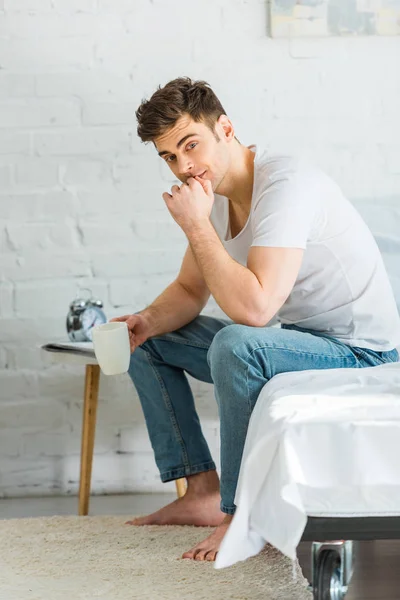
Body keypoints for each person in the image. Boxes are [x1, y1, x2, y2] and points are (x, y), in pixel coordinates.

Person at [111, 76, 400, 562]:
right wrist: (145, 319)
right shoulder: (216, 197)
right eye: (169, 157)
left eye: (190, 146)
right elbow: (188, 290)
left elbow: (256, 309)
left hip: (362, 352)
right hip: (299, 341)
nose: (184, 168)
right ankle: (200, 491)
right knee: (148, 339)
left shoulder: (286, 184)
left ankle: (239, 513)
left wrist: (196, 225)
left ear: (225, 128)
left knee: (236, 345)